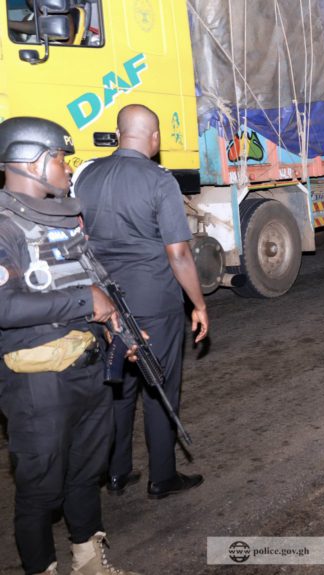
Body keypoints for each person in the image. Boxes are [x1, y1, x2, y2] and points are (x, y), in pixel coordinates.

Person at [0, 117, 138, 575]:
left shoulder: (62, 216)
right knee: (40, 491)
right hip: (39, 384)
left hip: (89, 369)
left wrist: (122, 331)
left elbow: (98, 281)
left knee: (85, 476)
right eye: (60, 157)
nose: (67, 166)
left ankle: (91, 563)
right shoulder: (4, 226)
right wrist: (85, 300)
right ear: (31, 160)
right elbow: (4, 305)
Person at [73, 104, 209, 500]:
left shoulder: (86, 176)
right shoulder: (159, 181)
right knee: (159, 383)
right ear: (154, 138)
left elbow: (79, 238)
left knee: (118, 385)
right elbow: (179, 254)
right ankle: (162, 476)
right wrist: (198, 303)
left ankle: (116, 472)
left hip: (105, 303)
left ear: (118, 134)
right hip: (154, 299)